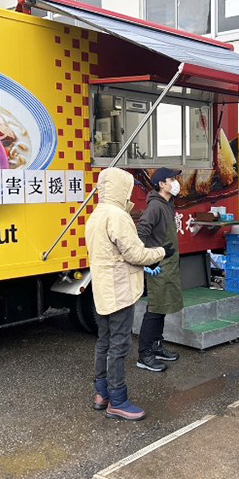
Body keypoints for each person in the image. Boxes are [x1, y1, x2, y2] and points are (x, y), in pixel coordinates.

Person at [85, 167, 173, 420]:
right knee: (119, 345)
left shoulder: (96, 215)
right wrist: (160, 253)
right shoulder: (118, 216)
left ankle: (101, 394)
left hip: (102, 290)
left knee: (104, 342)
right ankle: (118, 400)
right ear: (120, 188)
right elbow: (134, 253)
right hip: (120, 290)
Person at [135, 168, 183, 373]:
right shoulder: (155, 206)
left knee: (161, 308)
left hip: (168, 264)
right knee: (154, 309)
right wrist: (148, 260)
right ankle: (144, 355)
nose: (175, 182)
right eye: (171, 179)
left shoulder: (167, 204)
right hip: (158, 265)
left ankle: (156, 346)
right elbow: (141, 232)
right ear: (161, 184)